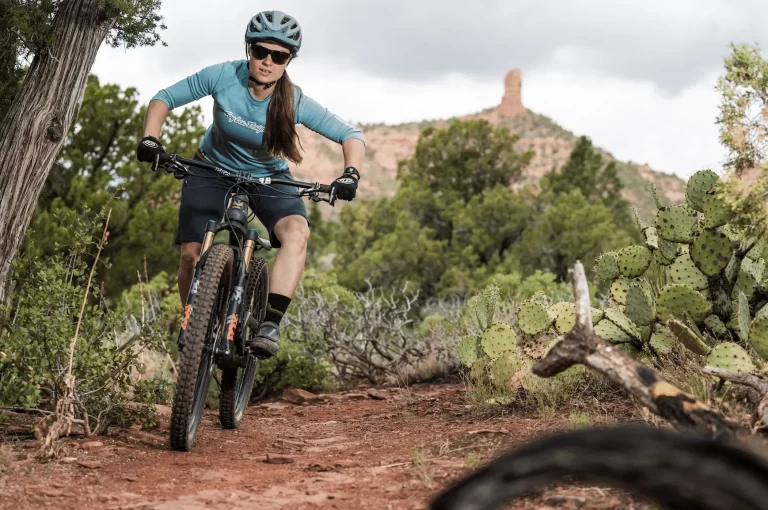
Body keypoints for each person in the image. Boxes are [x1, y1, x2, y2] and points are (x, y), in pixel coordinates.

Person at [135, 10, 365, 358]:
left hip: (268, 177)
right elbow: (163, 98)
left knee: (296, 233)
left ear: (288, 60)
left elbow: (351, 135)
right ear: (249, 50)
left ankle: (270, 324)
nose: (268, 62)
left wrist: (350, 174)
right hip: (211, 168)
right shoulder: (224, 76)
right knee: (191, 255)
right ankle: (195, 325)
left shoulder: (293, 101)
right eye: (261, 51)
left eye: (279, 56)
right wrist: (151, 138)